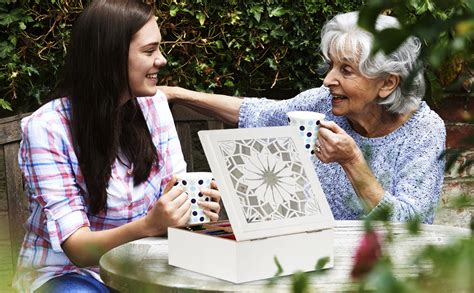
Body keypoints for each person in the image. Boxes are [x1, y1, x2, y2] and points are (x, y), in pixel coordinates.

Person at [160, 11, 445, 224]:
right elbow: (256, 113)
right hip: (311, 259)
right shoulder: (323, 103)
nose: (328, 79)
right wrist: (179, 94)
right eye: (331, 65)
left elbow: (412, 225)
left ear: (387, 83)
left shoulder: (423, 131)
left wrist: (353, 161)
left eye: (346, 70)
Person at [13, 1, 221, 292]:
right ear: (109, 57)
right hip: (70, 275)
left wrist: (189, 208)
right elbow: (78, 248)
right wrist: (150, 225)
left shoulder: (153, 107)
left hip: (143, 266)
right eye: (149, 51)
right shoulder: (48, 128)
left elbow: (173, 190)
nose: (161, 60)